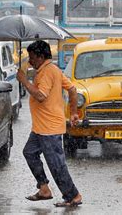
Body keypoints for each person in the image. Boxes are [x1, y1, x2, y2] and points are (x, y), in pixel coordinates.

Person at [16, 40, 83, 207]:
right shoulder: (53, 69)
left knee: (56, 164)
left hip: (49, 128)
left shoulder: (47, 72)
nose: (30, 61)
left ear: (40, 57)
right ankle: (44, 189)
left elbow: (41, 96)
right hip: (40, 128)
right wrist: (73, 112)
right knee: (29, 153)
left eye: (31, 57)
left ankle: (73, 195)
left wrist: (24, 81)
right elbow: (73, 90)